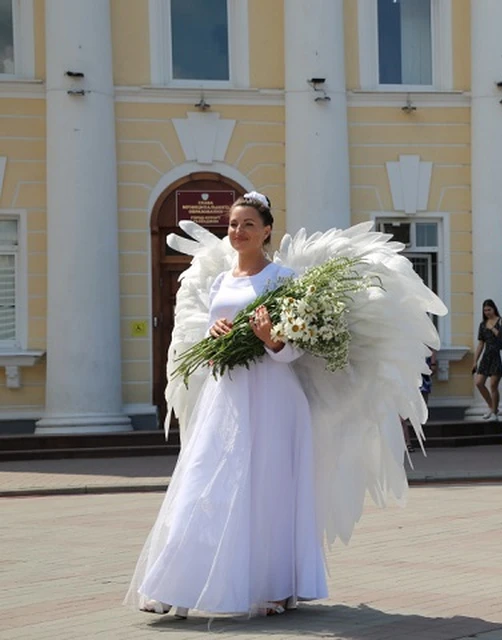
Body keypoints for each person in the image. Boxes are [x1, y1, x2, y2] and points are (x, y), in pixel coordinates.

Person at [126, 193, 326, 617]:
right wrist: (214, 338)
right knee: (202, 482)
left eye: (248, 224)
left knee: (268, 491)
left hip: (272, 399)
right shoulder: (220, 281)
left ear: (267, 229)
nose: (238, 232)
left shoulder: (283, 279)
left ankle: (274, 587)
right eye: (233, 224)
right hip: (226, 396)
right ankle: (175, 586)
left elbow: (295, 351)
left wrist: (271, 337)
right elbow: (210, 344)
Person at [473, 299, 502, 420]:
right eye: (485, 310)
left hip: (498, 355)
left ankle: (494, 413)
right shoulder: (482, 324)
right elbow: (481, 343)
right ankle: (492, 407)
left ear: (494, 309)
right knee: (479, 383)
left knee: (493, 385)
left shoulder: (501, 321)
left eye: (489, 310)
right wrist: (475, 361)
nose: (487, 312)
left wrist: (492, 328)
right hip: (487, 355)